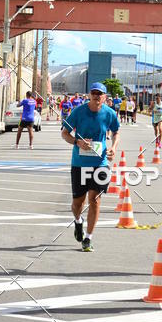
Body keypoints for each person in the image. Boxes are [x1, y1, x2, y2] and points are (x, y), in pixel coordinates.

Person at [61, 82, 120, 252]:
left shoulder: (109, 113)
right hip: (79, 163)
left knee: (95, 200)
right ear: (89, 95)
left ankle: (88, 238)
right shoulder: (78, 112)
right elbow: (64, 133)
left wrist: (114, 148)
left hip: (100, 163)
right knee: (77, 203)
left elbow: (116, 132)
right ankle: (78, 221)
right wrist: (77, 142)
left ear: (104, 96)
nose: (96, 96)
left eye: (99, 93)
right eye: (93, 93)